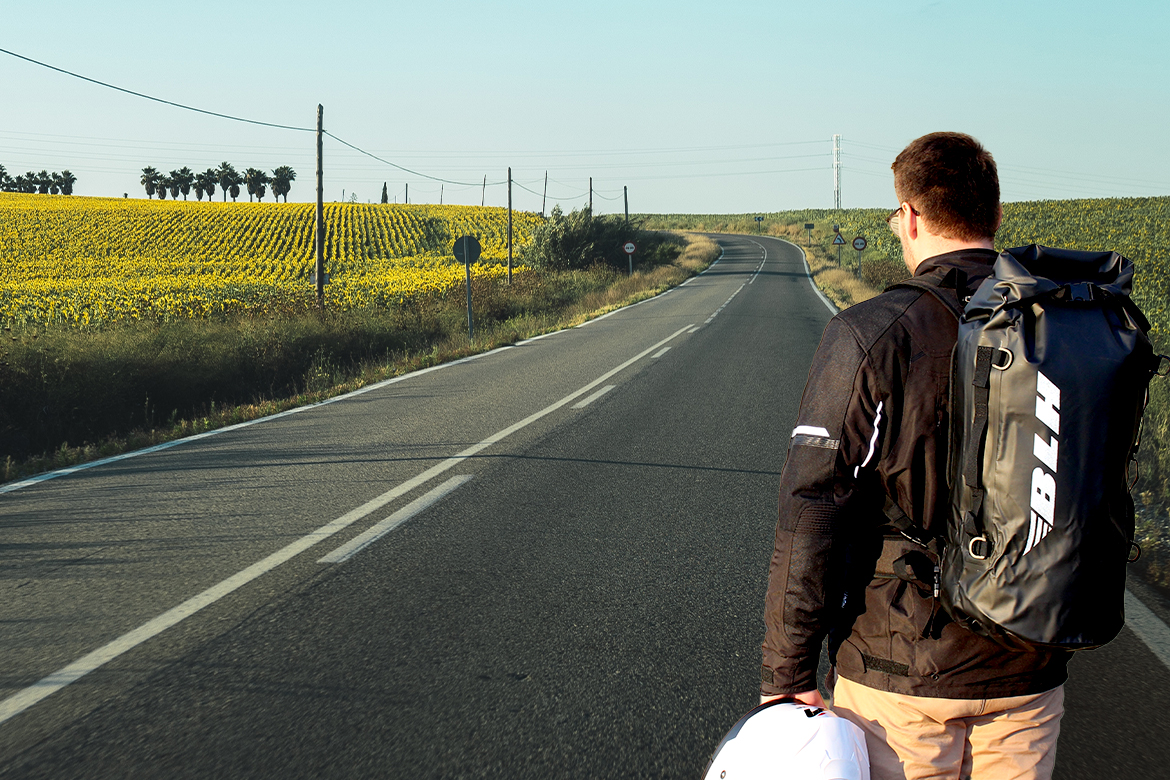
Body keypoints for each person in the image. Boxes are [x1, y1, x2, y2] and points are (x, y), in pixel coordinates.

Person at [759, 132, 1067, 780]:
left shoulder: (872, 333)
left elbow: (813, 506)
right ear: (996, 217)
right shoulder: (1065, 326)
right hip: (1031, 665)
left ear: (914, 217)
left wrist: (787, 671)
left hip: (899, 673)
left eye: (899, 215)